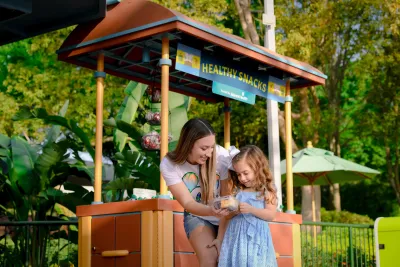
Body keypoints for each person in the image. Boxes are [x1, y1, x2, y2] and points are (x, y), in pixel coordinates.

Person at [160, 118, 232, 267]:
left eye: (211, 147)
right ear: (189, 144)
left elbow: (228, 198)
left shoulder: (221, 156)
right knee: (210, 258)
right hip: (198, 215)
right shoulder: (169, 164)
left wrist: (220, 237)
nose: (209, 153)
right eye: (204, 148)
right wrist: (211, 210)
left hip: (227, 216)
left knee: (228, 259)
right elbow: (188, 203)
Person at [210, 145, 278, 267]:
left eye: (245, 173)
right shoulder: (237, 191)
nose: (242, 178)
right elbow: (226, 217)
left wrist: (251, 210)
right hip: (236, 240)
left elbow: (271, 215)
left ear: (258, 168)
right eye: (239, 174)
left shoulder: (267, 190)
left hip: (256, 241)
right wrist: (233, 212)